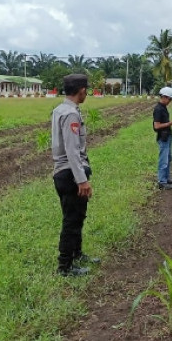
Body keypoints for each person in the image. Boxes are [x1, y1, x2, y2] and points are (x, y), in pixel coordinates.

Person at [51, 74, 100, 277]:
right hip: (70, 174)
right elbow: (72, 151)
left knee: (78, 216)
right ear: (81, 90)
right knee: (71, 220)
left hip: (64, 172)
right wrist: (82, 180)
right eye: (86, 90)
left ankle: (77, 254)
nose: (86, 93)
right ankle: (65, 266)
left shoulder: (59, 109)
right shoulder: (70, 114)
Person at [153, 86, 172, 190]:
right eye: (170, 99)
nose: (170, 101)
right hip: (163, 138)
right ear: (164, 97)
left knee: (168, 158)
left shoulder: (163, 107)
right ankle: (162, 182)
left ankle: (167, 178)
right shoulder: (158, 109)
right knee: (163, 160)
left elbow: (165, 122)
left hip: (167, 136)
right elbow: (156, 126)